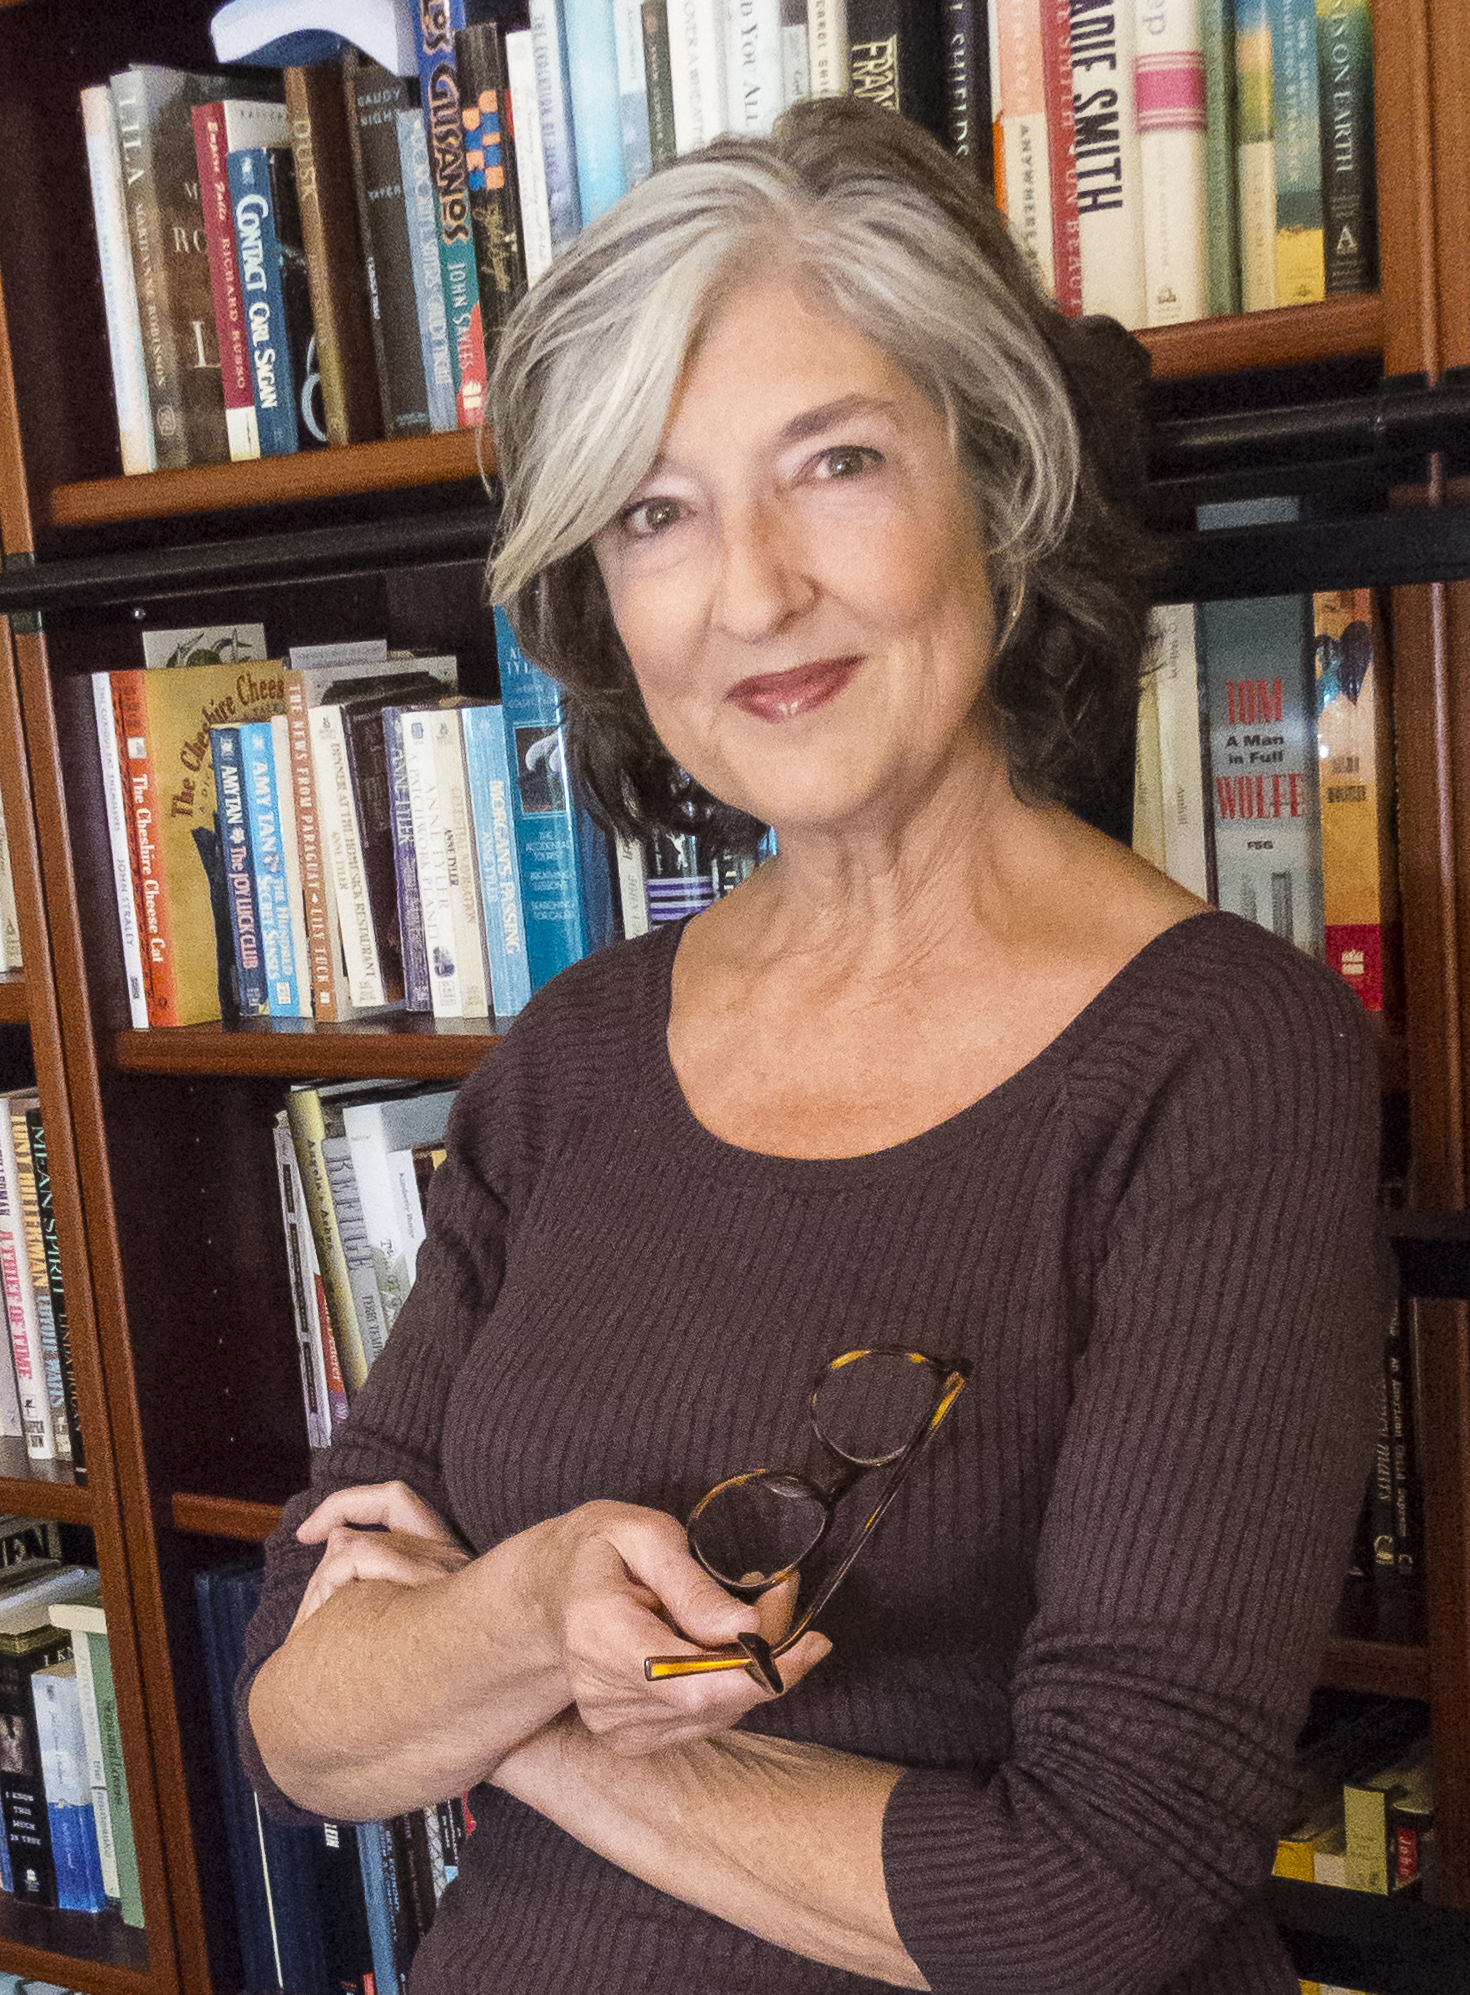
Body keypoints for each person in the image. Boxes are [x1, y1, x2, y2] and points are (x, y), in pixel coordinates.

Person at [240, 96, 1387, 1995]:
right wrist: (525, 1608)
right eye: (654, 511)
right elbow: (298, 1726)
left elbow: (1084, 1894)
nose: (751, 593)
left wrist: (493, 1697)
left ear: (996, 483)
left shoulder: (1217, 1058)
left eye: (834, 461)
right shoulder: (576, 1052)